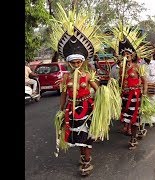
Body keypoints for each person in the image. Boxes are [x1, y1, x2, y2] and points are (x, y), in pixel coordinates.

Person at [50, 4, 118, 176]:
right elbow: (64, 94)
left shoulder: (88, 76)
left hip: (87, 108)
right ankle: (83, 156)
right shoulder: (66, 77)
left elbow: (98, 90)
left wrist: (106, 92)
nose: (76, 65)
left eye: (79, 62)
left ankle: (87, 161)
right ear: (69, 63)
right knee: (76, 136)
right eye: (73, 63)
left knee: (86, 136)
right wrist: (61, 109)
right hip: (72, 110)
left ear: (82, 62)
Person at [140, 56, 155, 125]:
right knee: (144, 102)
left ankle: (153, 120)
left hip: (154, 86)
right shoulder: (140, 64)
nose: (148, 57)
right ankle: (145, 120)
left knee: (153, 101)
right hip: (144, 86)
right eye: (146, 55)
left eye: (149, 55)